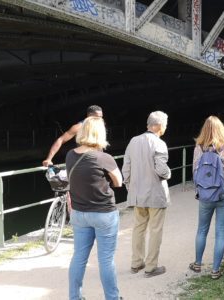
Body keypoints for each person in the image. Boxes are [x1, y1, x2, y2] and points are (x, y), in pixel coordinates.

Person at [66, 116, 123, 300]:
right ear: (100, 134)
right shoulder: (103, 157)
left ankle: (75, 297)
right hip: (103, 214)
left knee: (79, 257)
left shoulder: (70, 155)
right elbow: (119, 182)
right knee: (106, 260)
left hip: (79, 214)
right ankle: (112, 298)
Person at [188, 116, 224, 279]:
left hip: (205, 195)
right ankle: (215, 270)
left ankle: (197, 263)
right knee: (221, 233)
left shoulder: (199, 148)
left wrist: (200, 189)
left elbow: (195, 172)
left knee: (202, 230)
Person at [122, 111, 171, 278]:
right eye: (165, 124)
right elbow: (161, 170)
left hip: (137, 195)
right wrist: (169, 173)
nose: (166, 127)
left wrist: (130, 187)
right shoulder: (159, 143)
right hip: (156, 194)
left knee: (138, 228)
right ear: (157, 125)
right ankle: (151, 267)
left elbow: (126, 169)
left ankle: (136, 263)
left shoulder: (133, 141)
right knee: (155, 230)